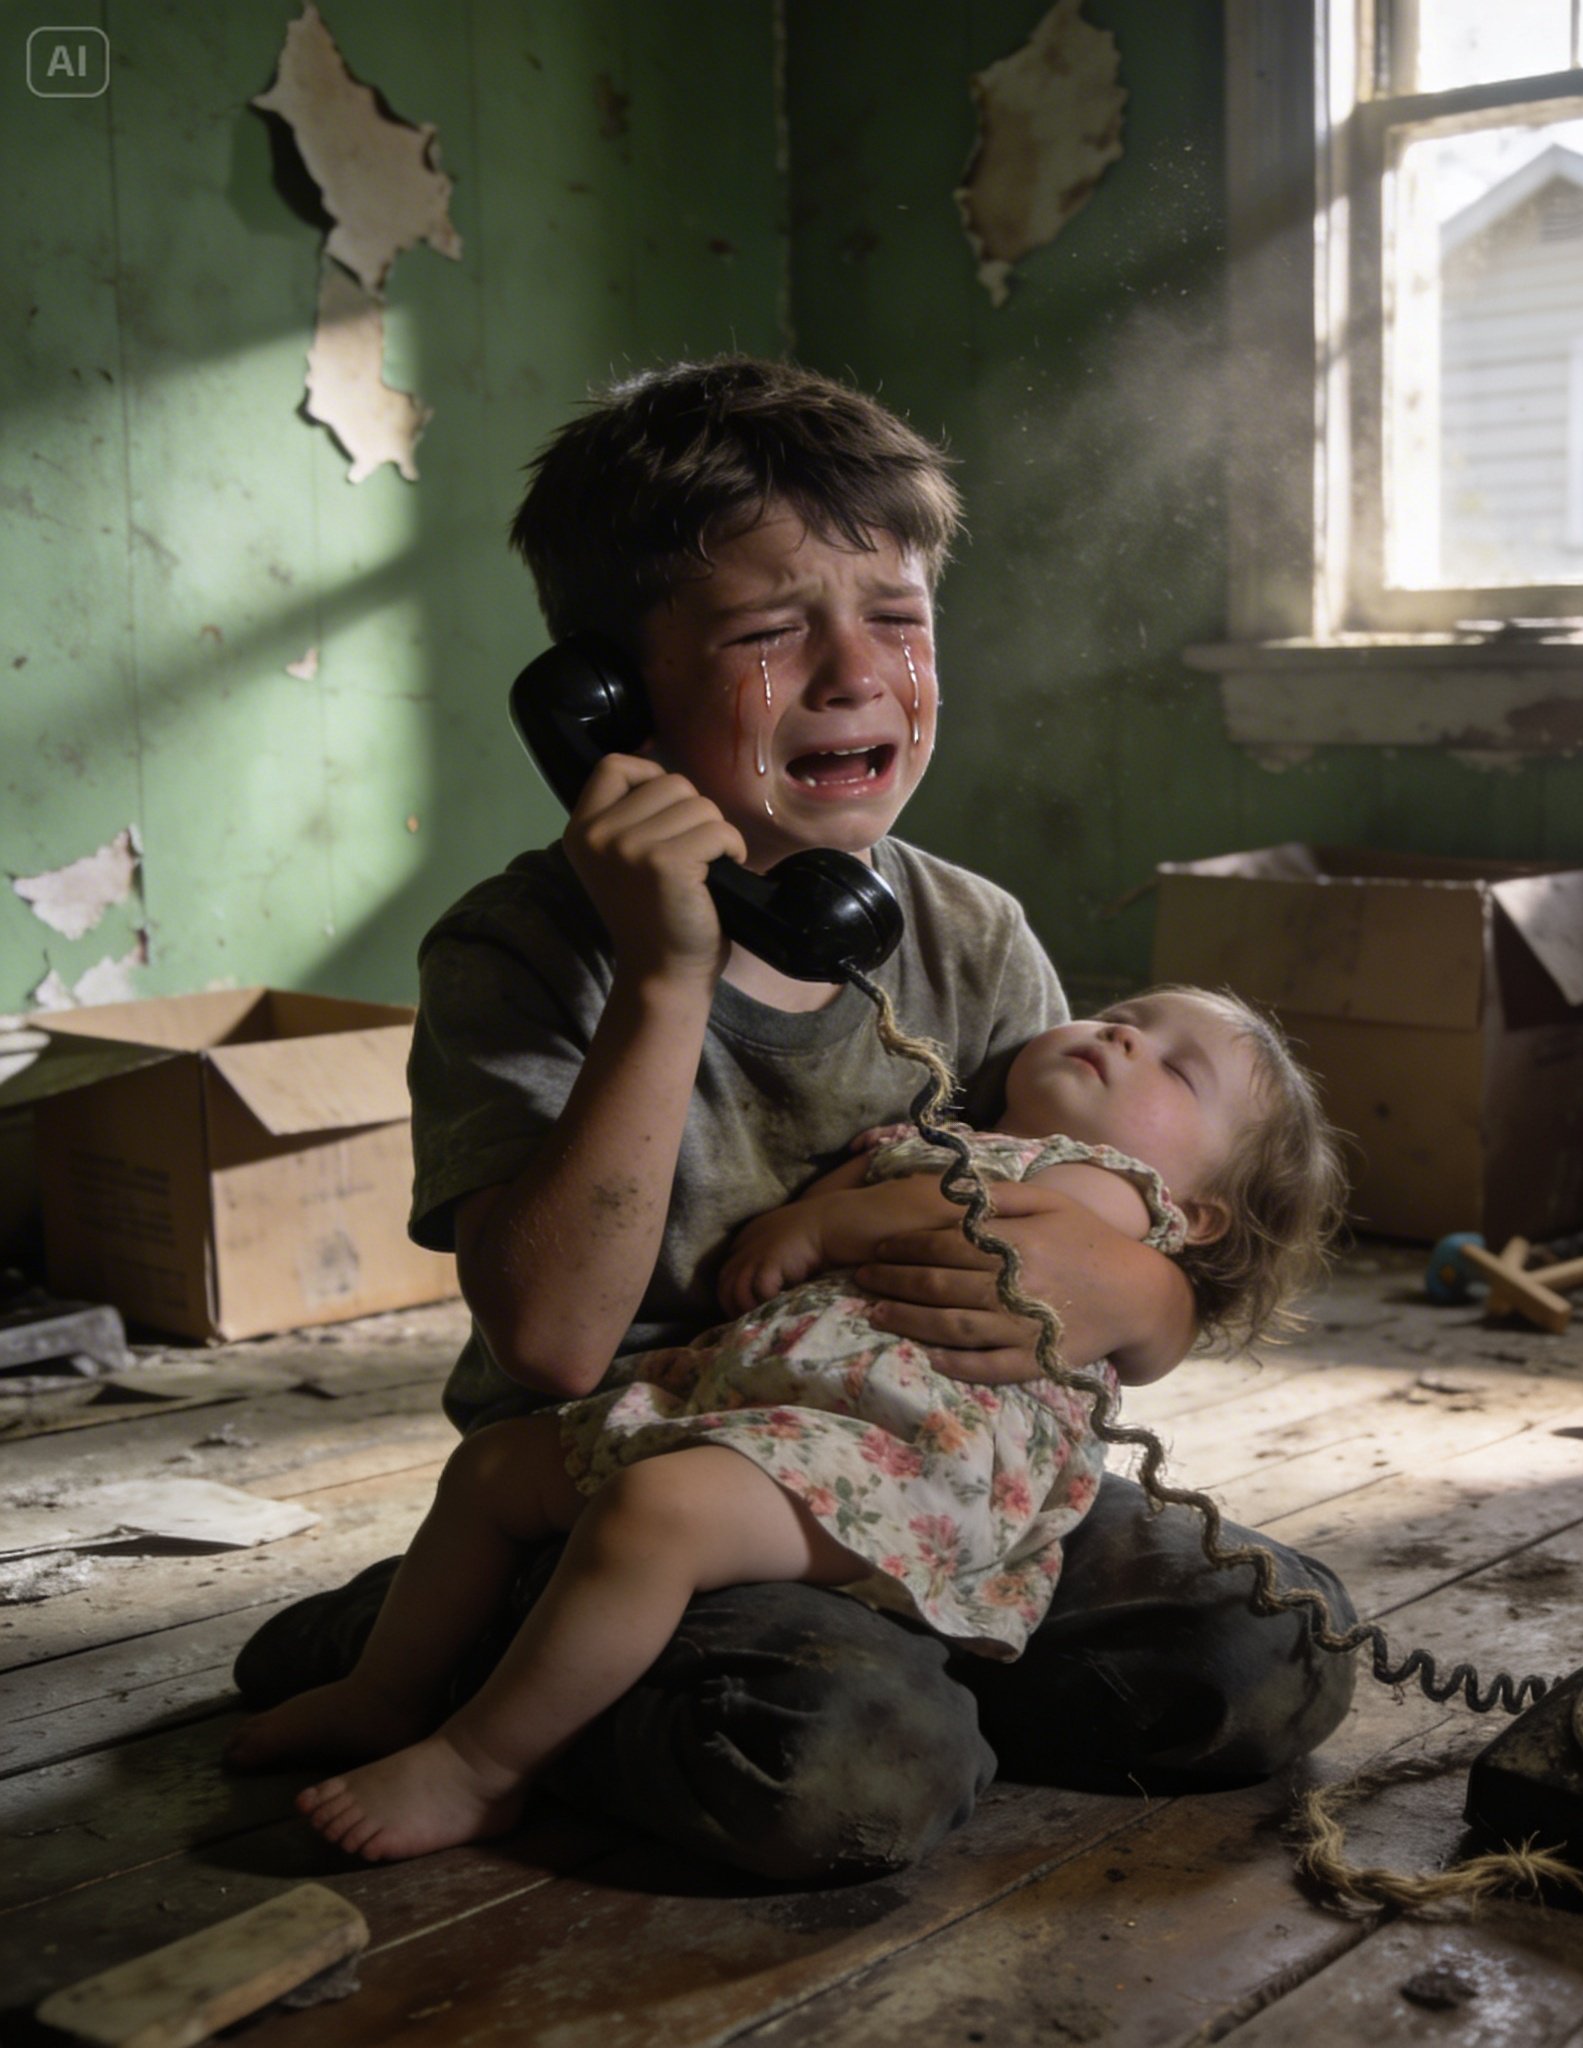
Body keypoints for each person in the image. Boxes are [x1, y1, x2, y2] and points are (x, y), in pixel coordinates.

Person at [230, 356, 1360, 1880]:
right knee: (845, 1770)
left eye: (897, 618)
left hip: (928, 1474)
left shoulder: (971, 936)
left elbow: (1113, 1238)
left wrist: (1151, 1302)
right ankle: (475, 1650)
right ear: (607, 700)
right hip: (647, 1478)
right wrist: (665, 975)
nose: (854, 675)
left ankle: (859, 1654)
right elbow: (553, 1341)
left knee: (1275, 1654)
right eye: (770, 631)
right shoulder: (520, 954)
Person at [229, 986, 1347, 1861]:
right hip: (757, 1411)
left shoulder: (1108, 1189)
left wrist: (830, 1224)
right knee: (493, 1468)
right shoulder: (946, 1133)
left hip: (903, 1463)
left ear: (1194, 1210)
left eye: (1176, 1067)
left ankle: (482, 1763)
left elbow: (982, 1220)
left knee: (658, 1513)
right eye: (1122, 1014)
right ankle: (388, 1685)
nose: (1122, 1034)